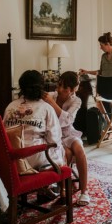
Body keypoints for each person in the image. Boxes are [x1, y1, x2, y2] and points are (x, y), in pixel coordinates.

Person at [42, 71, 90, 206]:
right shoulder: (51, 95)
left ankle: (84, 192)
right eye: (61, 86)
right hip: (53, 136)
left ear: (73, 89)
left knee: (79, 149)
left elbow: (68, 119)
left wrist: (52, 103)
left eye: (67, 88)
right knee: (67, 153)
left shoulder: (76, 100)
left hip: (68, 133)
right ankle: (62, 189)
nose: (61, 90)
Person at [3, 70, 63, 175]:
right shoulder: (46, 108)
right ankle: (54, 182)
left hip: (13, 157)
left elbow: (4, 131)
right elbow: (54, 138)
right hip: (34, 156)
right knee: (61, 149)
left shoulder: (10, 106)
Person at [79, 32, 112, 115]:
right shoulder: (103, 56)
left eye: (101, 45)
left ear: (107, 44)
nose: (100, 48)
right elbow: (100, 72)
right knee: (105, 110)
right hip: (103, 87)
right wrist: (87, 71)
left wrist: (109, 79)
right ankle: (107, 124)